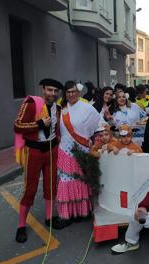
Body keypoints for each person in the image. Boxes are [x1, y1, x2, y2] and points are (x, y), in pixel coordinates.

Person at [14, 78, 65, 243]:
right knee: (30, 188)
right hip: (34, 151)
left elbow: (57, 129)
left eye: (55, 91)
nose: (53, 93)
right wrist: (39, 123)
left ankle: (50, 218)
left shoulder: (57, 107)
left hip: (52, 150)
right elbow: (18, 126)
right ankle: (21, 225)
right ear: (43, 89)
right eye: (50, 90)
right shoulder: (31, 103)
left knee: (51, 186)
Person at [56, 81, 102, 225]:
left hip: (82, 151)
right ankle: (67, 215)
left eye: (74, 91)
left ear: (78, 92)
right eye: (68, 92)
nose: (71, 94)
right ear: (65, 94)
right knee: (66, 181)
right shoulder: (62, 109)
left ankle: (82, 212)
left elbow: (99, 126)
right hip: (65, 151)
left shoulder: (88, 108)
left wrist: (97, 144)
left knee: (81, 181)